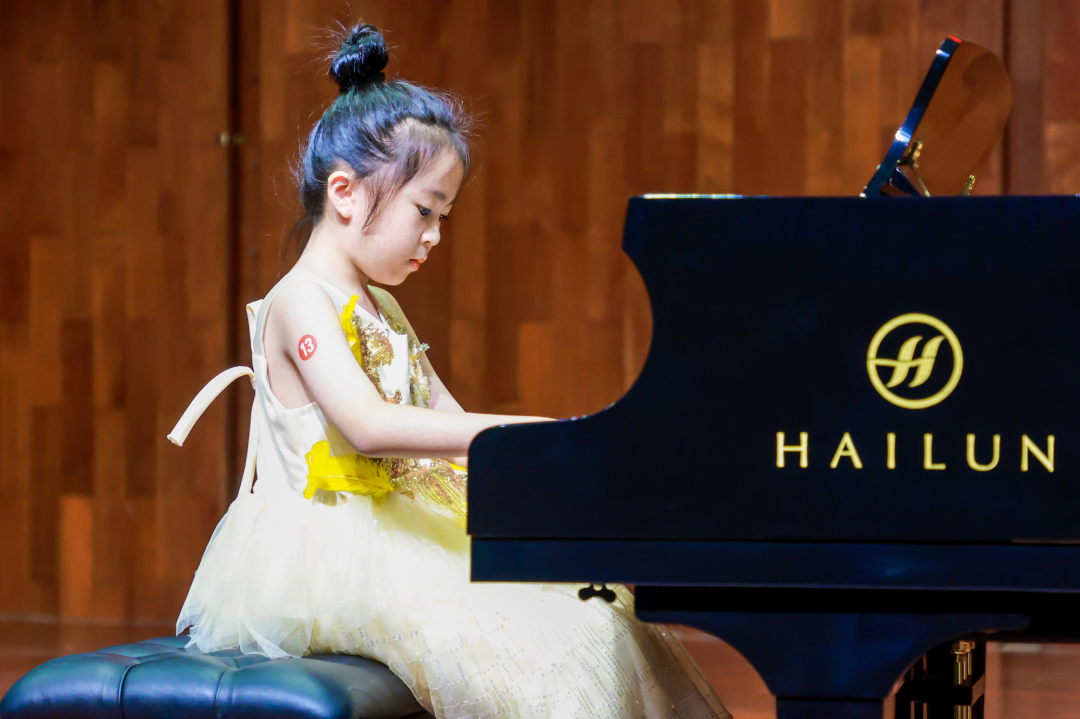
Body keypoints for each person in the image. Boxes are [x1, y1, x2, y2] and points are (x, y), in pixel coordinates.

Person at [168, 22, 730, 719]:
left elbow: (446, 420)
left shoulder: (381, 305)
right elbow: (368, 427)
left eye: (444, 216)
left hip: (399, 526)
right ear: (345, 192)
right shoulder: (299, 300)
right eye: (424, 211)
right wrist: (531, 431)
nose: (434, 236)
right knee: (548, 649)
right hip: (332, 550)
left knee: (602, 615)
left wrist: (553, 459)